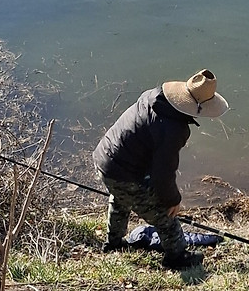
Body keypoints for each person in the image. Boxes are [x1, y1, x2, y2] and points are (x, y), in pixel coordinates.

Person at [92, 68, 229, 270]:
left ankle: (113, 243)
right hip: (123, 172)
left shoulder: (153, 97)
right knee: (166, 217)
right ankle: (176, 258)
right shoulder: (174, 130)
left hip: (104, 159)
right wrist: (173, 200)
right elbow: (163, 174)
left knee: (120, 198)